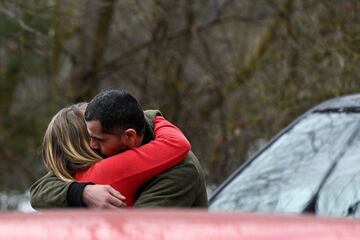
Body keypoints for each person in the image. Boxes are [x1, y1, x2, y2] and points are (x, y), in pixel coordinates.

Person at [30, 89, 208, 208]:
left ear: (129, 136)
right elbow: (41, 190)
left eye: (97, 140)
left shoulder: (180, 171)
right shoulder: (112, 138)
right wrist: (83, 192)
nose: (94, 146)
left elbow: (137, 232)